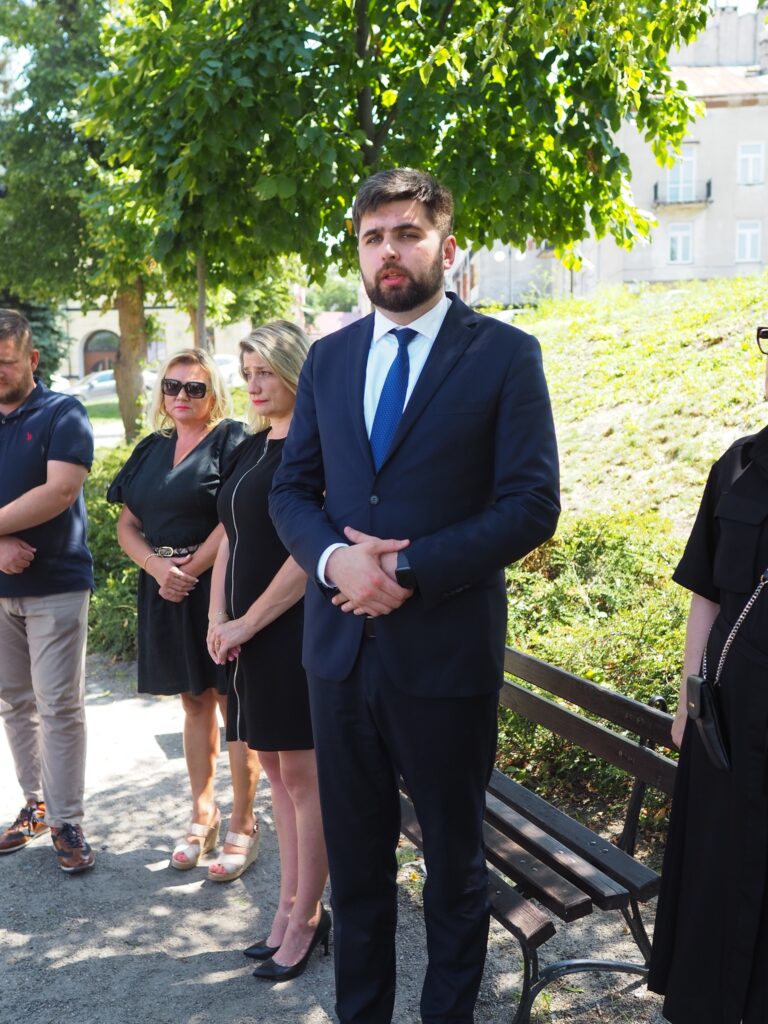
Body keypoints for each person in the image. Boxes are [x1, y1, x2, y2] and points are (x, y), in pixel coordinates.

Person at [269, 168, 560, 1024]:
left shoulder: (504, 354)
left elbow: (531, 503)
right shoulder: (329, 359)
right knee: (358, 872)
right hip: (338, 656)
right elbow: (292, 490)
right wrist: (336, 564)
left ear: (447, 246)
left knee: (454, 871)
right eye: (372, 237)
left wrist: (405, 570)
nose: (388, 252)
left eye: (406, 233)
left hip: (444, 656)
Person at [207, 321, 330, 975]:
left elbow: (311, 555)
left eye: (266, 372)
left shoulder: (318, 447)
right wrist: (216, 616)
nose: (254, 385)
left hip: (293, 632)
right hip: (244, 636)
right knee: (276, 774)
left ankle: (306, 917)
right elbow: (229, 535)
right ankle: (286, 907)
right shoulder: (250, 447)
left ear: (295, 371)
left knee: (304, 780)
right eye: (247, 372)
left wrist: (247, 622)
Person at [107, 349, 260, 874]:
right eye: (172, 386)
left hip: (218, 586)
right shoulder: (152, 447)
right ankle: (202, 813)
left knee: (232, 702)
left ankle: (244, 821)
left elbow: (236, 515)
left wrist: (190, 567)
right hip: (165, 588)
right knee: (193, 701)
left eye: (195, 388)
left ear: (214, 392)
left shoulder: (233, 440)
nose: (181, 396)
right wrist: (156, 567)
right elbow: (127, 524)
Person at [648, 399, 768, 1023]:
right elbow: (707, 594)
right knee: (718, 876)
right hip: (727, 723)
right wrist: (688, 701)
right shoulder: (738, 466)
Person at [0, 308, 95, 874]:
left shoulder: (64, 412)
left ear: (32, 358)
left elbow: (60, 491)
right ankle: (35, 806)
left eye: (6, 362)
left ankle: (66, 821)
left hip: (55, 583)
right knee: (14, 701)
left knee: (58, 704)